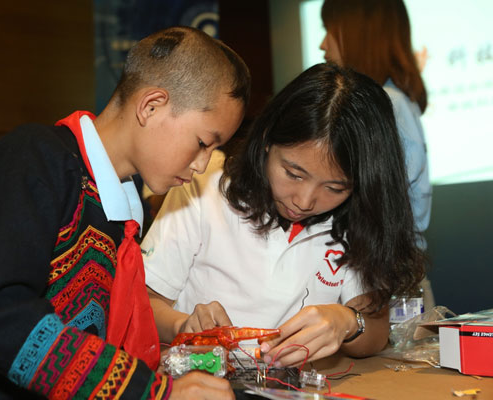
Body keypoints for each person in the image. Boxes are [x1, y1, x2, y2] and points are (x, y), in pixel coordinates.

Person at [0, 26, 250, 399]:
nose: (202, 164)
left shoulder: (123, 203)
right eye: (202, 143)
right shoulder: (33, 160)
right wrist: (151, 392)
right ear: (151, 106)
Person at [142, 63, 425, 368]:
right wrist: (183, 325)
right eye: (292, 173)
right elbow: (145, 303)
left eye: (334, 187)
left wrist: (347, 321)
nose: (304, 201)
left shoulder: (355, 218)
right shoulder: (203, 191)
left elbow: (376, 332)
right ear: (266, 142)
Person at [319, 0, 434, 309]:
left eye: (329, 31)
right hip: (389, 279)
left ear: (358, 35)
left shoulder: (386, 105)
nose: (322, 44)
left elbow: (383, 206)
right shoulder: (395, 101)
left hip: (383, 285)